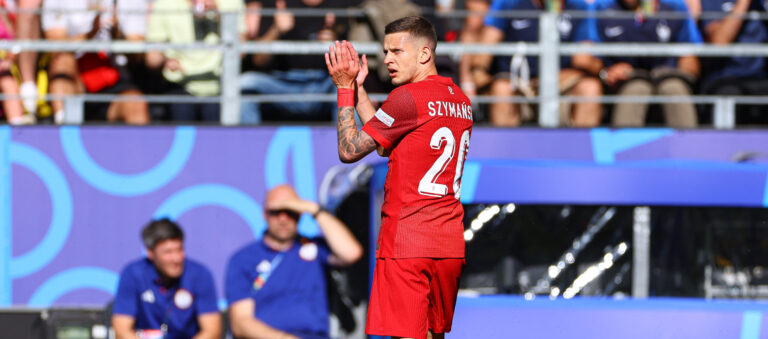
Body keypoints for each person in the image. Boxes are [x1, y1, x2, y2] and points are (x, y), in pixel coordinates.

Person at [325, 16, 472, 339]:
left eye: (396, 51)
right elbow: (386, 142)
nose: (388, 60)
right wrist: (361, 90)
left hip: (407, 242)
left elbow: (349, 149)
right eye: (385, 52)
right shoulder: (459, 100)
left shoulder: (408, 98)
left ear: (424, 53)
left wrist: (345, 90)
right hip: (448, 244)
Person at [225, 185, 362, 339]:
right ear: (265, 214)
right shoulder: (243, 259)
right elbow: (241, 323)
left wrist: (314, 209)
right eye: (276, 212)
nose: (283, 219)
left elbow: (351, 253)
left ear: (300, 213)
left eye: (290, 211)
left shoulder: (315, 248)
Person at [472, 0, 603, 127]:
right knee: (501, 89)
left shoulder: (578, 7)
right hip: (518, 84)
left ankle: (582, 142)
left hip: (562, 84)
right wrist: (480, 76)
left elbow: (584, 59)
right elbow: (483, 54)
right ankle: (504, 141)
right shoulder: (508, 3)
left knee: (590, 88)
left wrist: (558, 78)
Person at [593, 0, 702, 128]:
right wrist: (607, 72)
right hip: (627, 80)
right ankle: (624, 140)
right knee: (636, 89)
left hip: (668, 76)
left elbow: (689, 58)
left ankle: (687, 140)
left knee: (674, 88)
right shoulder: (602, 7)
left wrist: (681, 74)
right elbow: (589, 56)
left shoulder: (674, 6)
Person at [239, 0, 348, 124]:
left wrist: (335, 44)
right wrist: (276, 30)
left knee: (350, 85)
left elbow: (353, 61)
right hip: (282, 84)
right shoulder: (275, 4)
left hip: (324, 82)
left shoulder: (342, 5)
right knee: (246, 83)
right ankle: (245, 137)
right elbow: (258, 60)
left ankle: (349, 136)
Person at [41, 0, 149, 124]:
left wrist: (118, 34)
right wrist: (89, 35)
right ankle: (65, 130)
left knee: (135, 104)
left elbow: (138, 49)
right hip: (75, 74)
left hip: (112, 76)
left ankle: (140, 138)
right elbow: (55, 46)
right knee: (62, 62)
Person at [112, 219, 221, 339]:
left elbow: (211, 331)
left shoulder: (200, 275)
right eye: (168, 252)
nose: (176, 259)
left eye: (179, 250)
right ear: (150, 252)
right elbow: (122, 331)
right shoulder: (133, 275)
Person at [146, 0, 245, 122]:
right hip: (179, 86)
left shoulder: (231, 3)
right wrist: (165, 61)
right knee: (182, 120)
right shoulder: (164, 4)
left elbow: (241, 52)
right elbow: (152, 59)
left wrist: (221, 17)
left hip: (221, 86)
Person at [700, 0, 768, 125]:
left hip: (761, 76)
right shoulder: (713, 2)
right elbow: (719, 41)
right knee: (728, 92)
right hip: (726, 77)